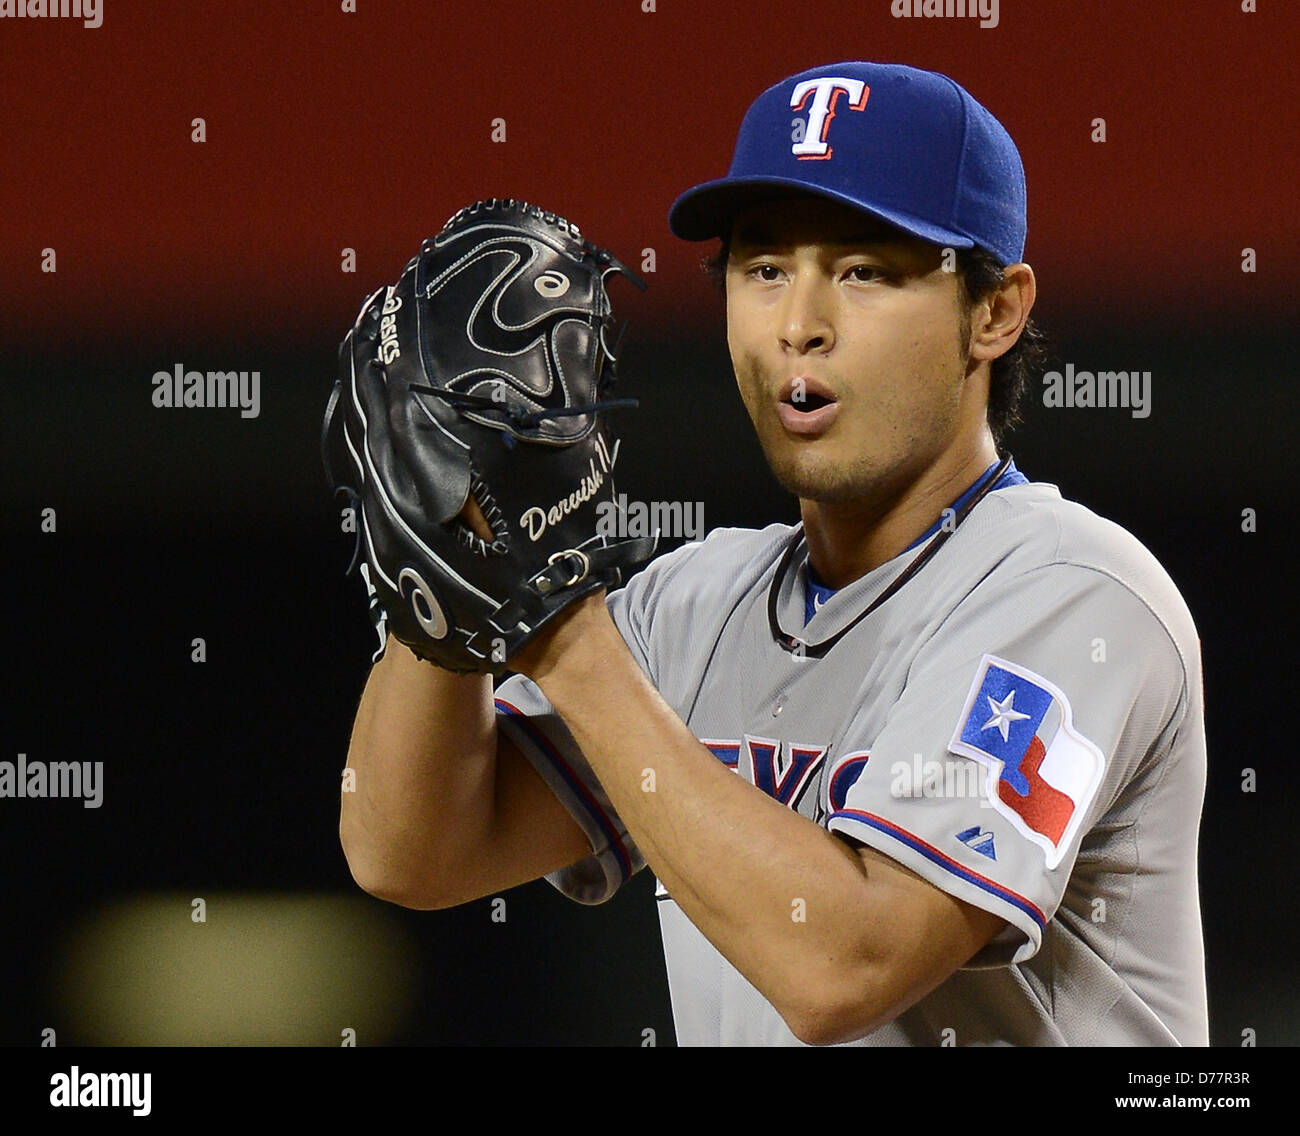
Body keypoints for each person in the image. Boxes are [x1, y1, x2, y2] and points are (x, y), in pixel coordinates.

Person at [338, 61, 1209, 1046]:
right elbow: (411, 850)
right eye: (763, 269)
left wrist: (563, 633)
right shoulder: (693, 602)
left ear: (995, 311)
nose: (799, 325)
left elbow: (843, 966)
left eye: (862, 271)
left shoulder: (1073, 591)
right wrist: (443, 560)